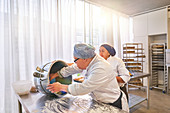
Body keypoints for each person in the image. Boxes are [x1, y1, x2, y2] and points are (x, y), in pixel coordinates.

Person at [47, 43, 129, 112]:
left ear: (85, 59)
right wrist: (58, 74)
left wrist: (61, 87)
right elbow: (75, 67)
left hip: (113, 103)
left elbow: (84, 88)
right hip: (100, 101)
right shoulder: (91, 60)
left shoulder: (101, 67)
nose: (75, 63)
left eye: (75, 60)